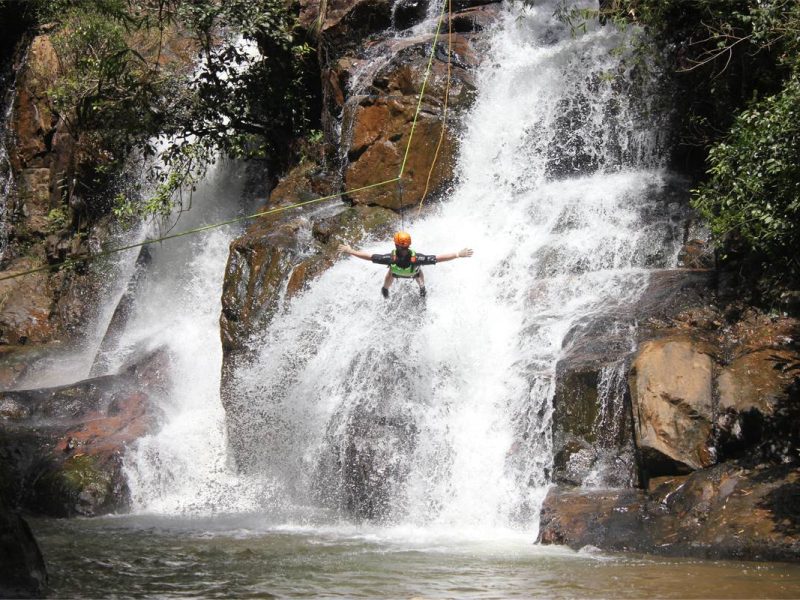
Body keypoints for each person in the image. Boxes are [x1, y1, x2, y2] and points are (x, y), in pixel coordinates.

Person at [339, 231, 473, 298]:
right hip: (413, 273)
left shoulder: (389, 258)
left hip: (396, 273)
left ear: (395, 244)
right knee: (418, 274)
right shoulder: (418, 258)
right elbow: (437, 258)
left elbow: (369, 257)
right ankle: (422, 288)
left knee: (391, 273)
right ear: (409, 244)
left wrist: (350, 250)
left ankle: (385, 289)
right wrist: (457, 254)